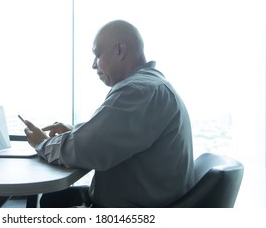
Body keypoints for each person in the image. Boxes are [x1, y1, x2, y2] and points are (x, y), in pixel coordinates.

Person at [23, 20, 195, 207]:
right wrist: (76, 132)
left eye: (97, 55)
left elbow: (87, 149)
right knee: (53, 199)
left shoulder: (137, 91)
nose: (93, 65)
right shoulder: (151, 86)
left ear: (120, 50)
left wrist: (42, 143)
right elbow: (114, 138)